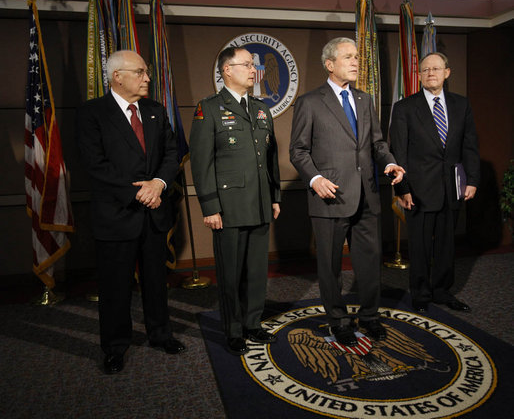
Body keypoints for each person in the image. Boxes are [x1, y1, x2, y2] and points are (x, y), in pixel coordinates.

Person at [289, 37, 405, 347]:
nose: (356, 62)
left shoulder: (366, 100)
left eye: (356, 57)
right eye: (348, 57)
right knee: (329, 267)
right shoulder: (310, 102)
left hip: (367, 194)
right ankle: (338, 321)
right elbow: (298, 150)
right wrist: (314, 179)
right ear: (329, 64)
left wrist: (390, 163)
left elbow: (377, 143)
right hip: (330, 195)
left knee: (369, 263)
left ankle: (369, 318)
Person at [76, 50, 185, 374]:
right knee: (115, 287)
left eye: (147, 72)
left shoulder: (154, 110)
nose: (147, 78)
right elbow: (94, 164)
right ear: (117, 76)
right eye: (140, 72)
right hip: (116, 214)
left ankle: (160, 334)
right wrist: (140, 191)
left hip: (154, 213)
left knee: (155, 280)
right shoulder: (91, 113)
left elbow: (170, 153)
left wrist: (159, 184)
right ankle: (115, 346)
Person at [189, 47, 281, 355]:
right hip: (228, 207)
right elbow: (201, 163)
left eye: (254, 65)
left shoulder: (260, 109)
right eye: (246, 65)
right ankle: (233, 330)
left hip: (259, 202)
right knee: (230, 272)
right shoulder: (209, 108)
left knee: (256, 271)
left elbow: (271, 160)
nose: (254, 70)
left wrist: (275, 196)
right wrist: (210, 206)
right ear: (227, 70)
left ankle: (253, 324)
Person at [389, 52, 480, 313]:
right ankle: (420, 296)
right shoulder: (405, 107)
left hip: (452, 187)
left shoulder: (461, 105)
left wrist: (472, 180)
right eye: (426, 69)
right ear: (419, 75)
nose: (431, 73)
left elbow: (469, 146)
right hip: (417, 191)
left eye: (436, 69)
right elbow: (399, 152)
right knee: (419, 246)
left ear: (447, 73)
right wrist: (402, 189)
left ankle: (442, 291)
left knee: (445, 244)